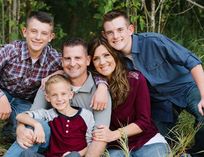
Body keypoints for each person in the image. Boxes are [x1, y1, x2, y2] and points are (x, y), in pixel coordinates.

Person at [0, 11, 107, 148]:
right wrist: (0, 97)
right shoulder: (11, 50)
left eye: (44, 33)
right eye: (34, 31)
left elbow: (81, 69)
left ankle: (9, 133)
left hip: (24, 104)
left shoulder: (54, 59)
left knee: (28, 127)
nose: (38, 37)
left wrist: (102, 86)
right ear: (25, 32)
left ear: (51, 37)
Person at [101, 10, 204, 156]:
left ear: (130, 29)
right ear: (105, 35)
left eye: (120, 30)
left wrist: (203, 95)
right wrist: (101, 86)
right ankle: (181, 151)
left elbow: (192, 62)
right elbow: (92, 69)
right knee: (160, 141)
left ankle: (197, 153)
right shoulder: (112, 59)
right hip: (159, 104)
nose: (116, 36)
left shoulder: (153, 41)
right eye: (110, 32)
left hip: (185, 88)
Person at [15, 38, 112, 157]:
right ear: (61, 61)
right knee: (33, 128)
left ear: (87, 60)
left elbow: (99, 138)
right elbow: (31, 116)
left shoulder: (100, 92)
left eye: (77, 58)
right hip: (48, 145)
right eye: (67, 58)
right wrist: (19, 128)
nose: (72, 63)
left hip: (79, 153)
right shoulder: (50, 85)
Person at [88, 37, 170, 157]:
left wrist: (113, 134)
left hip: (147, 141)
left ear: (115, 55)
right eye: (96, 58)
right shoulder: (93, 86)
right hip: (115, 147)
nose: (102, 62)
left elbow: (143, 122)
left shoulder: (135, 79)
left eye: (106, 55)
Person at [4, 74, 95, 157]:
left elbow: (90, 144)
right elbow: (20, 116)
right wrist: (37, 125)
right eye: (54, 95)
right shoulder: (48, 114)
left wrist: (79, 154)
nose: (59, 99)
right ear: (48, 97)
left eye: (63, 94)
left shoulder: (86, 115)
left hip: (74, 155)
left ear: (70, 95)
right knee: (27, 154)